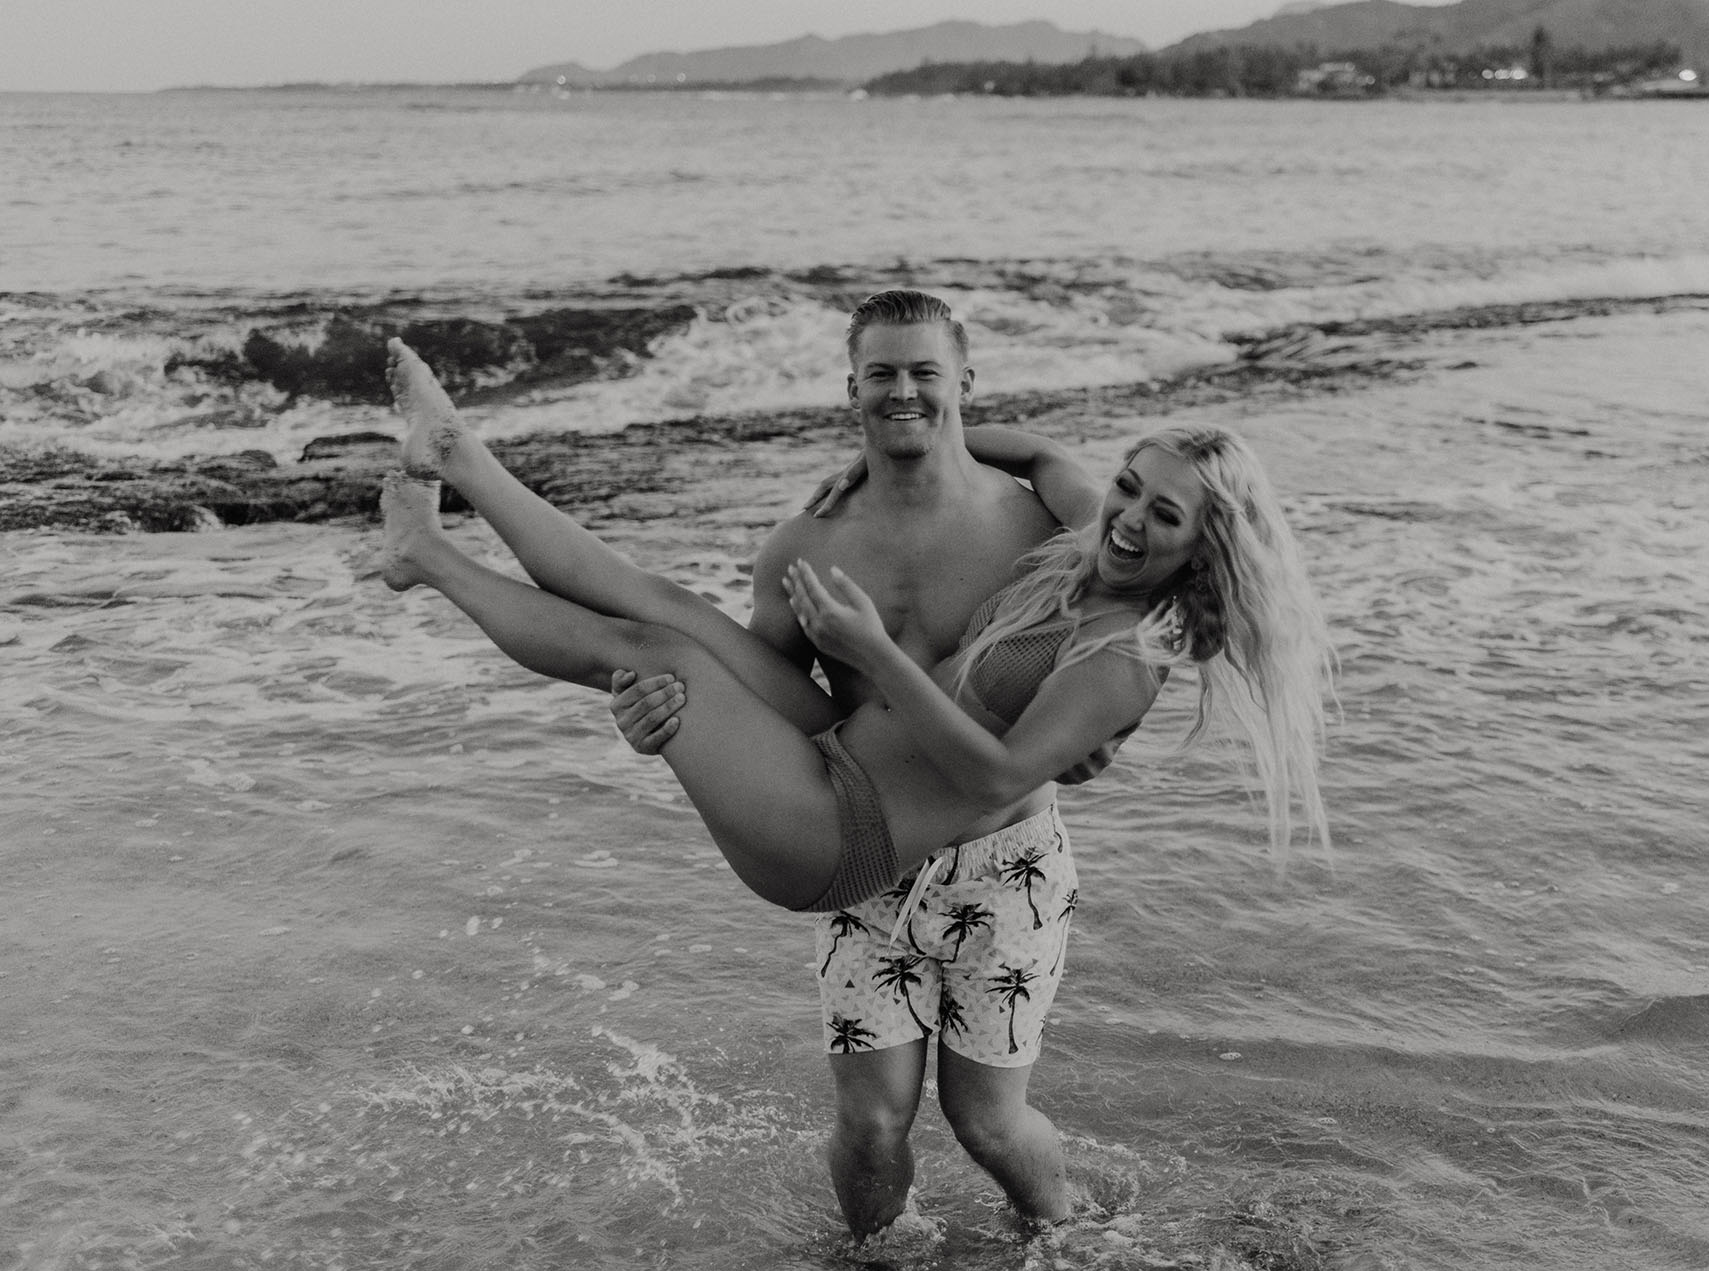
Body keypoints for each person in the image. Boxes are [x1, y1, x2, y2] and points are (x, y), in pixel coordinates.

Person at [373, 291, 1332, 1238]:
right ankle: (457, 467)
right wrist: (888, 447)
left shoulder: (1126, 650)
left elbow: (997, 775)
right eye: (1129, 486)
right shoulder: (1086, 527)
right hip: (837, 752)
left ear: (1205, 545)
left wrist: (875, 653)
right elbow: (1039, 453)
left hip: (842, 836)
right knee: (662, 613)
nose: (1128, 518)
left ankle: (1067, 1227)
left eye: (1165, 516)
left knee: (651, 653)